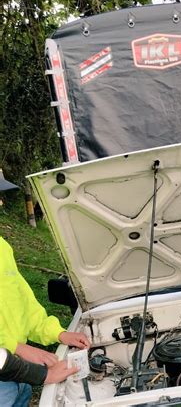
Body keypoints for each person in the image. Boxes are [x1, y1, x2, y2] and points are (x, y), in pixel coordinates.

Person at [0, 171, 91, 406]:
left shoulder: (1, 247)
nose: (1, 203)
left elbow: (23, 304)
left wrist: (57, 332)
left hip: (16, 374)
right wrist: (19, 350)